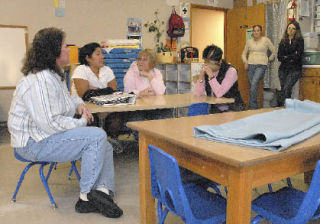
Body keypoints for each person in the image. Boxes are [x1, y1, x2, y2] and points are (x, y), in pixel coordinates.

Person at [7, 28, 123, 218]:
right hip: (33, 143)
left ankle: (102, 192)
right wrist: (82, 122)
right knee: (97, 136)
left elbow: (69, 99)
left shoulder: (54, 74)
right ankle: (86, 198)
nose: (69, 49)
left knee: (106, 146)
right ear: (53, 52)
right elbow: (51, 124)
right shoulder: (39, 80)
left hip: (46, 136)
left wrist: (79, 107)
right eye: (64, 46)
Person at [71, 42, 124, 153]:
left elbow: (114, 92)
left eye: (102, 54)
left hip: (106, 108)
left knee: (117, 118)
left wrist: (94, 90)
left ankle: (113, 141)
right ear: (88, 58)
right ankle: (91, 147)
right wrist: (105, 90)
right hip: (84, 109)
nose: (102, 57)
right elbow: (85, 95)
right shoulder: (81, 70)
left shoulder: (107, 70)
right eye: (98, 54)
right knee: (91, 120)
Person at [123, 49, 172, 138]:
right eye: (139, 59)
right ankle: (142, 145)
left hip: (154, 107)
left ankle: (160, 142)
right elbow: (128, 93)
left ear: (152, 62)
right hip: (137, 109)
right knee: (137, 120)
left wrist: (149, 76)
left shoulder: (156, 73)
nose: (140, 62)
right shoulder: (131, 72)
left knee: (167, 113)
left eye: (145, 60)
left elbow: (161, 92)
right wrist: (140, 93)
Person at [194, 44, 245, 113]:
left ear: (220, 61)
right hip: (215, 109)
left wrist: (211, 76)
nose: (207, 66)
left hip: (233, 108)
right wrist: (201, 75)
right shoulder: (207, 71)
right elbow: (198, 93)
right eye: (206, 62)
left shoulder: (231, 71)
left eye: (210, 63)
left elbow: (219, 93)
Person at [242, 25, 276, 109]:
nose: (256, 32)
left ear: (261, 32)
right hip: (250, 65)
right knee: (253, 87)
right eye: (254, 31)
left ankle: (252, 108)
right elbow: (243, 54)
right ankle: (255, 107)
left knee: (254, 84)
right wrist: (245, 61)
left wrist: (269, 59)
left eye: (258, 30)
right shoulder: (249, 41)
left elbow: (274, 51)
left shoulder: (266, 40)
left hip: (261, 66)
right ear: (252, 32)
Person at [277, 20, 304, 106]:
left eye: (293, 28)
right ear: (287, 29)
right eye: (289, 28)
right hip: (283, 69)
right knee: (284, 89)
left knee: (287, 87)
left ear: (297, 30)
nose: (291, 30)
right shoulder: (283, 41)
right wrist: (291, 56)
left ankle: (286, 107)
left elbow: (298, 56)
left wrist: (286, 57)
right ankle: (286, 107)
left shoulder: (300, 40)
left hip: (295, 69)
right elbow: (279, 57)